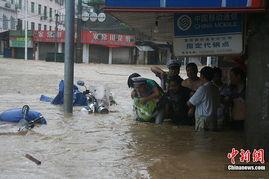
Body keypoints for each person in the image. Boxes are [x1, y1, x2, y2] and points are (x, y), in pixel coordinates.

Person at [187, 66, 220, 131]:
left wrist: (192, 96)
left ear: (202, 76)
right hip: (213, 118)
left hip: (203, 120)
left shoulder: (203, 88)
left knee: (201, 140)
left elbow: (190, 103)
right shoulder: (216, 88)